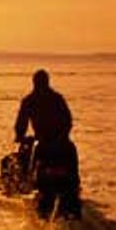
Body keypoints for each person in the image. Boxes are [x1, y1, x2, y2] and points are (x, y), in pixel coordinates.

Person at [13, 69, 81, 219]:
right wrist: (20, 135)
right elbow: (68, 120)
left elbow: (21, 123)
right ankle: (72, 187)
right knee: (71, 152)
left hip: (46, 141)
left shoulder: (31, 100)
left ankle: (69, 187)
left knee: (69, 155)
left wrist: (19, 135)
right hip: (58, 140)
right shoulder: (56, 98)